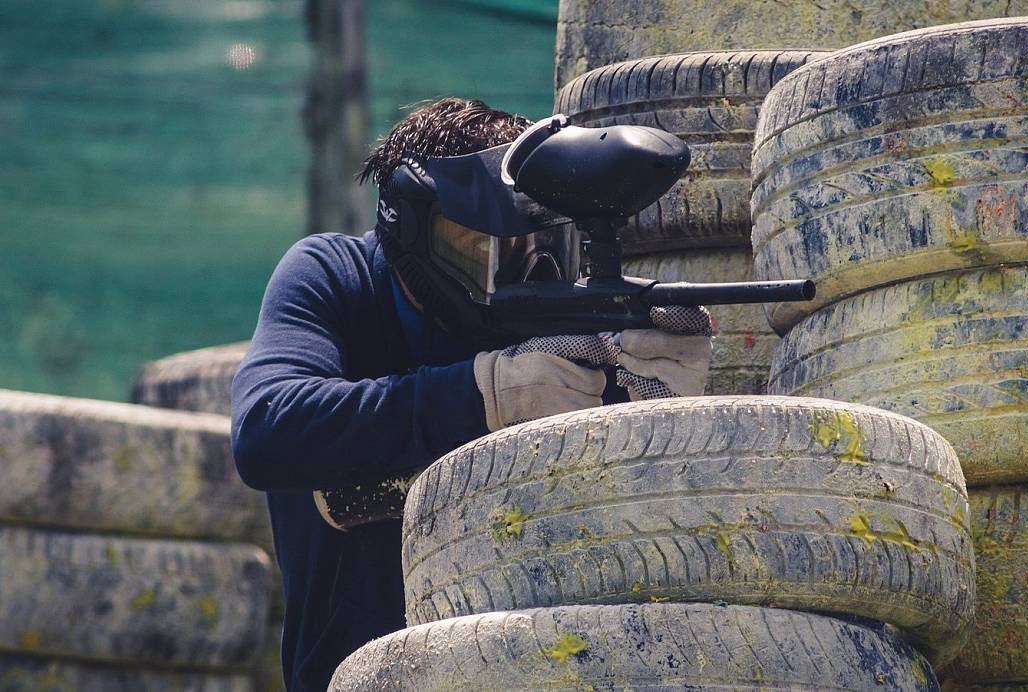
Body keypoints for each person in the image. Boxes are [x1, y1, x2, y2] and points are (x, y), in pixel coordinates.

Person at [230, 97, 711, 691]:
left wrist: (671, 420)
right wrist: (488, 394)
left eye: (530, 244)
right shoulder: (335, 277)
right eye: (477, 244)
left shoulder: (554, 314)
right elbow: (267, 431)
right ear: (407, 222)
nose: (510, 268)